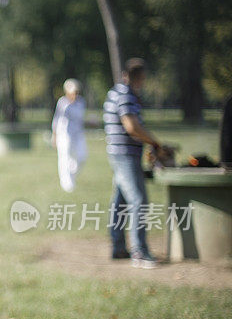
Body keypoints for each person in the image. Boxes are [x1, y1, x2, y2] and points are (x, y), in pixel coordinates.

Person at [103, 58, 166, 269]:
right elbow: (131, 126)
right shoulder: (125, 95)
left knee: (119, 202)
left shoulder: (116, 92)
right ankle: (139, 252)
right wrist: (154, 142)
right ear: (139, 77)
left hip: (119, 153)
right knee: (138, 200)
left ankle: (118, 247)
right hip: (125, 156)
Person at [51, 78, 88, 192]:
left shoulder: (81, 102)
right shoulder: (63, 103)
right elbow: (57, 119)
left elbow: (81, 119)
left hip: (78, 134)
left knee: (82, 157)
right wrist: (55, 135)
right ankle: (66, 183)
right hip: (64, 134)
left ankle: (71, 173)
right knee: (64, 157)